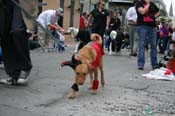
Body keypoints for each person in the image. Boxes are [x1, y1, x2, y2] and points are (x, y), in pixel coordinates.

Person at [0, 0, 38, 85]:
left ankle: (25, 67)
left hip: (21, 2)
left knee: (17, 31)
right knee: (5, 35)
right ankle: (13, 74)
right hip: (4, 3)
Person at [136, 0, 160, 70]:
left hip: (152, 27)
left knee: (153, 45)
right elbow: (143, 11)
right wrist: (148, 4)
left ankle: (154, 64)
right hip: (142, 26)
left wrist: (154, 16)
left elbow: (159, 11)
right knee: (142, 44)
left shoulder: (152, 4)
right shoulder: (139, 3)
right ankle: (140, 64)